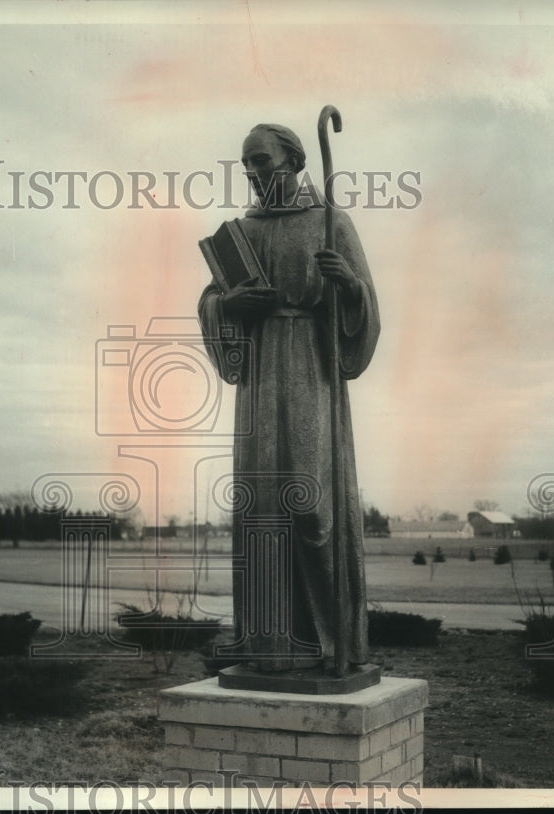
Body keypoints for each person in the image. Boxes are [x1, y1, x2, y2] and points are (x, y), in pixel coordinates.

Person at [198, 123, 380, 674]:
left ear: (296, 162)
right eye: (246, 164)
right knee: (262, 505)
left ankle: (335, 643)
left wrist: (348, 286)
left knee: (312, 505)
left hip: (310, 371)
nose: (253, 173)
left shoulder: (330, 223)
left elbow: (366, 306)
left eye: (261, 161)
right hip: (259, 378)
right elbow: (211, 301)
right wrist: (229, 304)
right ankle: (269, 644)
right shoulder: (243, 232)